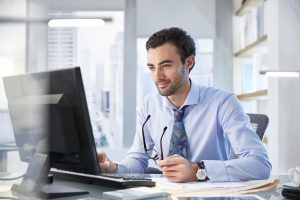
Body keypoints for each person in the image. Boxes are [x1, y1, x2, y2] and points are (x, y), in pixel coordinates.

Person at [98, 27, 272, 183]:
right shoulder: (149, 105)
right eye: (152, 67)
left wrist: (199, 170)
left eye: (166, 65)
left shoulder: (222, 102)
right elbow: (137, 159)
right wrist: (113, 168)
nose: (157, 76)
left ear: (189, 62)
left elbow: (260, 164)